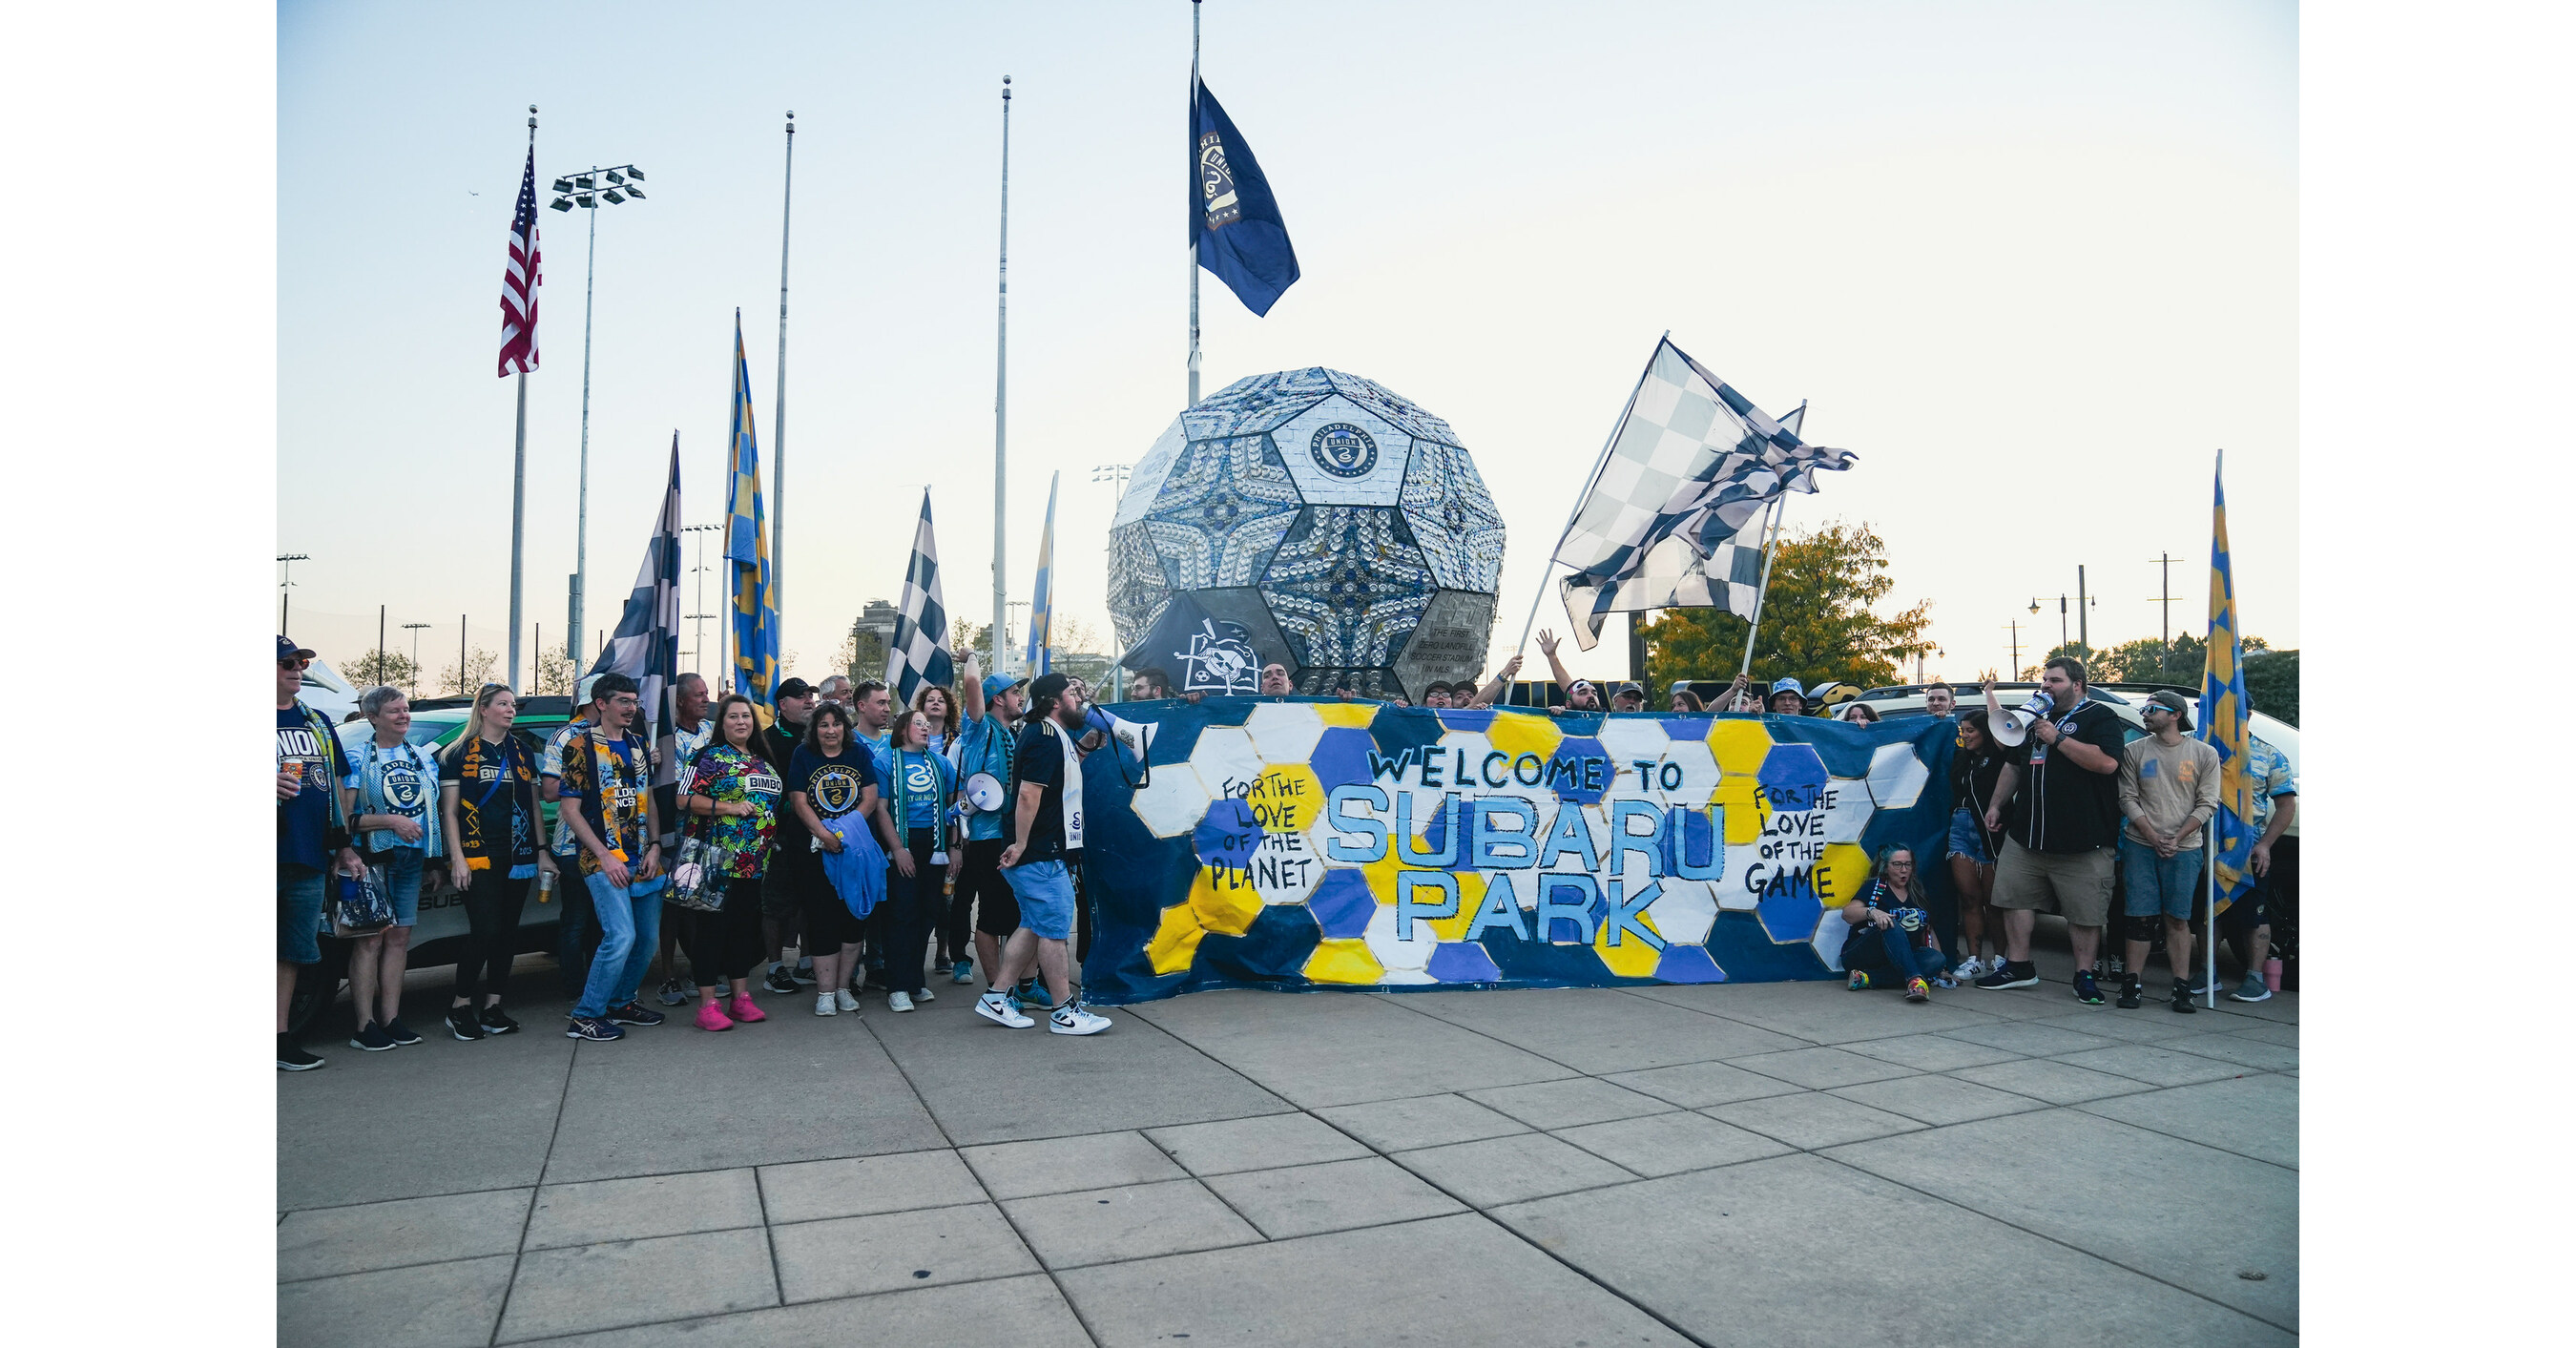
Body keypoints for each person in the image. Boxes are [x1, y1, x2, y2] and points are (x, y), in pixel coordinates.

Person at [1973, 656, 2129, 1003]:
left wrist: (2057, 738)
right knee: (2014, 899)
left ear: (2077, 685)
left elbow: (2106, 763)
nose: (2045, 686)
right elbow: (2013, 767)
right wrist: (1997, 805)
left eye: (2054, 681)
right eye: (2043, 680)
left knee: (2084, 912)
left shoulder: (2099, 717)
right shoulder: (2033, 720)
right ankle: (2018, 966)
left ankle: (2084, 975)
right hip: (2026, 834)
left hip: (2083, 839)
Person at [975, 672, 1113, 1035]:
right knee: (1053, 932)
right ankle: (1064, 1011)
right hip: (1040, 852)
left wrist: (1082, 748)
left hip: (1045, 850)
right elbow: (1027, 794)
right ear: (1055, 701)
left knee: (1035, 925)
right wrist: (1021, 845)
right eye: (1072, 693)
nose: (1079, 699)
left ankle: (996, 997)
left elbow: (1057, 783)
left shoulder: (1053, 736)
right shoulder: (1043, 737)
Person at [556, 674, 668, 1041]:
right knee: (620, 936)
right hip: (601, 858)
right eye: (623, 700)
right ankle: (586, 1015)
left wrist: (654, 845)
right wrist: (604, 856)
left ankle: (622, 1001)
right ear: (601, 703)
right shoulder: (579, 745)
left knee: (647, 940)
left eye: (634, 701)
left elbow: (646, 798)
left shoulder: (637, 743)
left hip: (642, 857)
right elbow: (570, 809)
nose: (630, 707)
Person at [438, 684, 551, 1041]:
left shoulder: (522, 751)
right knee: (484, 929)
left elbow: (534, 805)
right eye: (502, 704)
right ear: (483, 709)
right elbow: (450, 812)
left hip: (517, 855)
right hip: (477, 855)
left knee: (507, 932)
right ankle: (459, 1006)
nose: (510, 709)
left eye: (512, 704)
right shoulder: (456, 753)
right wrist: (457, 858)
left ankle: (493, 1006)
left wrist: (542, 850)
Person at [339, 685, 444, 1052]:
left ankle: (391, 1018)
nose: (403, 716)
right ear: (373, 718)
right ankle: (364, 1025)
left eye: (406, 709)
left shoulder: (423, 757)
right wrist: (390, 821)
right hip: (371, 860)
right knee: (370, 939)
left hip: (412, 858)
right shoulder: (356, 757)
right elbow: (345, 819)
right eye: (394, 711)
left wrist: (433, 861)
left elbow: (432, 813)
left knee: (399, 939)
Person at [279, 636, 364, 1071]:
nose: (297, 669)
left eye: (300, 662)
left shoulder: (314, 720)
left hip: (308, 853)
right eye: (286, 663)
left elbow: (338, 785)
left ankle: (280, 1039)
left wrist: (344, 846)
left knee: (293, 952)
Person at [677, 693, 781, 1030]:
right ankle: (708, 1004)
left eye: (746, 717)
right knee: (711, 932)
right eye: (733, 717)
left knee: (743, 931)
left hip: (754, 863)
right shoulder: (707, 757)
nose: (741, 722)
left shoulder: (764, 760)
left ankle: (740, 999)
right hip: (714, 860)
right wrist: (729, 808)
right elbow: (683, 799)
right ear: (722, 723)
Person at [2114, 691, 2220, 1013]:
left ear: (2175, 715)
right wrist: (2152, 834)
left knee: (2178, 918)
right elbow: (2127, 797)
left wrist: (2177, 836)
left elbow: (2208, 802)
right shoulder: (2134, 751)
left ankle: (2181, 987)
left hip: (2185, 849)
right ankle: (2132, 984)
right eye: (2144, 709)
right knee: (2139, 918)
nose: (2145, 714)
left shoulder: (2204, 753)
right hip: (2141, 846)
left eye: (2152, 709)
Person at [785, 700, 889, 1016]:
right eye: (824, 725)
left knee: (853, 921)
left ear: (845, 727)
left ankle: (844, 988)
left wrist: (843, 832)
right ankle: (825, 992)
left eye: (836, 724)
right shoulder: (803, 756)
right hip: (817, 852)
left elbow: (870, 796)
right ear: (815, 730)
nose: (831, 730)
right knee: (822, 922)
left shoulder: (858, 754)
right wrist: (824, 834)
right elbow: (799, 800)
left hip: (854, 849)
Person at [955, 656, 1028, 987]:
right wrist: (971, 657)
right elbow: (971, 684)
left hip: (1011, 835)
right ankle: (998, 990)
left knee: (1015, 914)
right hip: (987, 837)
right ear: (997, 698)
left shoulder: (1013, 733)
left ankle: (1015, 985)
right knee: (990, 916)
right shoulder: (978, 726)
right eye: (1014, 692)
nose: (1020, 697)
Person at [882, 707, 960, 1010]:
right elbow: (880, 809)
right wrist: (898, 849)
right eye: (919, 724)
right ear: (903, 730)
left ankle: (915, 980)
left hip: (936, 845)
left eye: (928, 725)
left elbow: (955, 810)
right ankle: (896, 985)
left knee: (928, 912)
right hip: (902, 841)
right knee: (902, 914)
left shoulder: (941, 763)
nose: (926, 728)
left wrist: (956, 847)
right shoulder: (885, 760)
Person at [2221, 733, 2298, 1002]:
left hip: (2249, 847)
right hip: (2205, 846)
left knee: (2254, 914)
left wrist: (2265, 844)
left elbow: (2286, 806)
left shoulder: (2269, 755)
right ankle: (2206, 974)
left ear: (2247, 711)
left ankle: (2255, 979)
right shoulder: (2199, 743)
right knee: (2207, 912)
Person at [654, 674, 715, 1006]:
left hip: (709, 831)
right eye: (699, 695)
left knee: (700, 905)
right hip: (677, 832)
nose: (706, 700)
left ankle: (698, 972)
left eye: (707, 694)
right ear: (680, 700)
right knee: (673, 908)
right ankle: (666, 977)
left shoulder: (709, 731)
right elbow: (677, 789)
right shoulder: (667, 738)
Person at [757, 677, 819, 995]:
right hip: (779, 835)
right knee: (776, 904)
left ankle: (807, 962)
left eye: (810, 695)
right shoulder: (765, 740)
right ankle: (774, 967)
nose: (808, 700)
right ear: (782, 704)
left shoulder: (820, 737)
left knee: (812, 900)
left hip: (816, 833)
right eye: (800, 697)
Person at [1946, 703, 2010, 982]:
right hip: (1960, 826)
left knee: (1994, 901)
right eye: (1963, 731)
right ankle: (1974, 960)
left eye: (1971, 730)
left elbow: (2003, 728)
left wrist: (1989, 695)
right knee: (1970, 898)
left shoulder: (1999, 756)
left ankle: (2000, 959)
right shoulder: (1961, 758)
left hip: (1991, 828)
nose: (1966, 735)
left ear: (1985, 731)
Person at [1839, 846, 1946, 1003]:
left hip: (1899, 958)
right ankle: (1914, 980)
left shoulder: (1916, 891)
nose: (1903, 870)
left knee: (1936, 960)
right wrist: (1872, 912)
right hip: (1863, 954)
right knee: (1890, 923)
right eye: (1897, 864)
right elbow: (1847, 914)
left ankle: (1867, 978)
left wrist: (1942, 971)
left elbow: (1928, 929)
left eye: (1907, 864)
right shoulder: (1876, 886)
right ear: (1885, 867)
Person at [911, 683, 962, 759]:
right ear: (922, 708)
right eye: (930, 700)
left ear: (948, 710)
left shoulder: (957, 740)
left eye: (941, 701)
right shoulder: (911, 737)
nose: (935, 703)